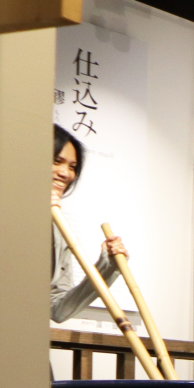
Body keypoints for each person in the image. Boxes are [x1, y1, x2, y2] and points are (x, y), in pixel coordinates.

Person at [49, 124, 126, 324]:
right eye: (57, 161)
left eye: (72, 167)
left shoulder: (58, 228)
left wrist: (107, 267)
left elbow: (58, 309)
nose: (65, 173)